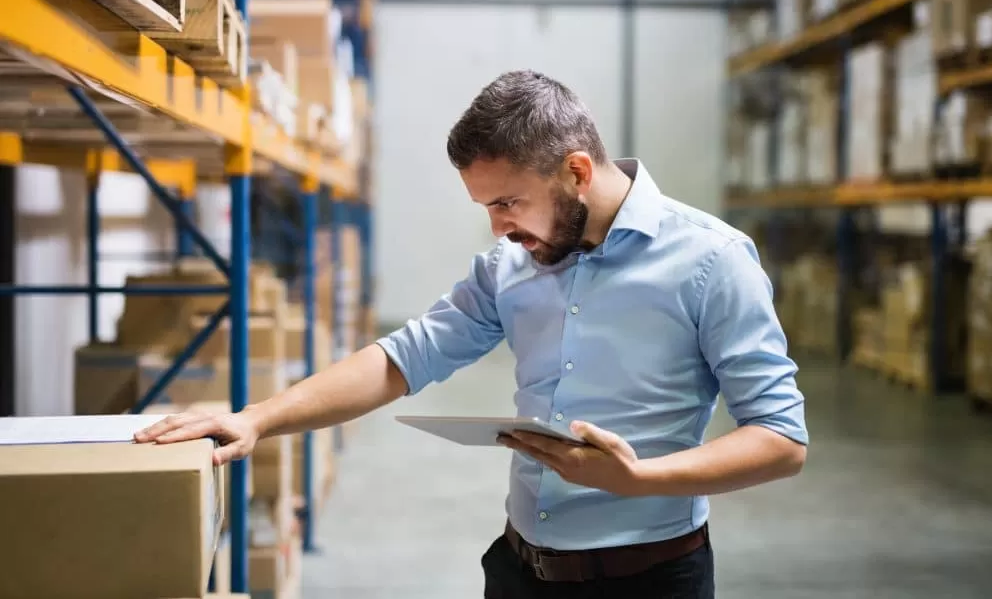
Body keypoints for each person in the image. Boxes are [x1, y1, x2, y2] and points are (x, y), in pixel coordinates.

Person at [135, 69, 808, 598]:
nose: (498, 229)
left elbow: (780, 439)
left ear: (576, 172)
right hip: (520, 572)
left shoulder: (712, 260)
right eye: (487, 207)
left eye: (508, 202)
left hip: (651, 579)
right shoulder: (510, 266)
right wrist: (257, 418)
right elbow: (403, 356)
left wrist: (640, 478)